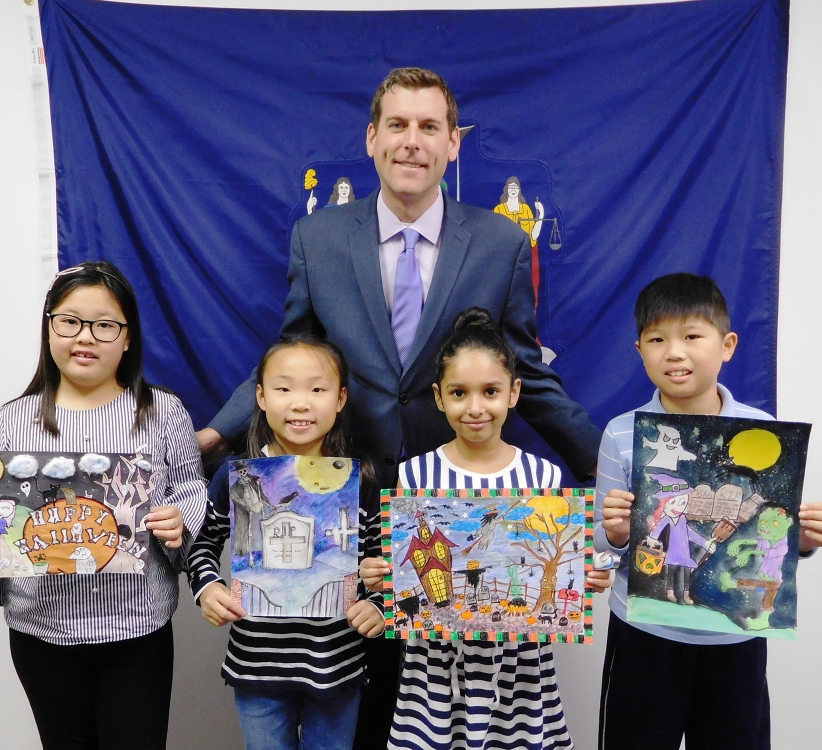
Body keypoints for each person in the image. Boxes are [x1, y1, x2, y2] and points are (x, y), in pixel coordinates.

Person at [196, 68, 602, 746]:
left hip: (451, 512)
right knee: (360, 717)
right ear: (372, 138)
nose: (412, 141)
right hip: (348, 511)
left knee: (439, 713)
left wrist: (604, 466)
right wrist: (216, 433)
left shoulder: (500, 243)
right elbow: (294, 357)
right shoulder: (319, 238)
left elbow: (523, 368)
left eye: (429, 126)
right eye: (398, 125)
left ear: (453, 143)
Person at [0, 261, 207, 750]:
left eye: (105, 324)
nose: (85, 336)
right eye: (69, 321)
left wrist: (181, 522)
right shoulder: (12, 420)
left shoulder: (163, 412)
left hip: (137, 628)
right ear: (49, 328)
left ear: (128, 337)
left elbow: (190, 490)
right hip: (42, 632)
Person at [594, 273, 822, 749]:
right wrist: (617, 533)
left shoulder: (764, 431)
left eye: (692, 336)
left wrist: (805, 538)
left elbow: (773, 534)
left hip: (735, 639)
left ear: (727, 345)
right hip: (643, 635)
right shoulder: (622, 433)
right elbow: (603, 550)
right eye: (657, 339)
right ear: (639, 350)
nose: (674, 352)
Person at [361, 308, 610, 750]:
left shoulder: (544, 476)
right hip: (435, 669)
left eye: (490, 391)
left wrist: (585, 577)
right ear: (439, 397)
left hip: (519, 670)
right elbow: (399, 570)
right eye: (459, 393)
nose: (475, 407)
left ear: (514, 392)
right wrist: (380, 581)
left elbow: (562, 571)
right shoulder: (414, 474)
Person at [187, 334, 385, 750]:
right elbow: (202, 544)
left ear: (341, 398)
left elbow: (381, 561)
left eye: (317, 389)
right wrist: (208, 589)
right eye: (283, 388)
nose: (300, 403)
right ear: (260, 396)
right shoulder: (237, 476)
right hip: (256, 666)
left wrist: (378, 603)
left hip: (337, 665)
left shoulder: (361, 479)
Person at [493, 176, 544, 304]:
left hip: (524, 257)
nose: (513, 190)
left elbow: (533, 236)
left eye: (515, 187)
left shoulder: (525, 209)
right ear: (506, 190)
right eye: (510, 187)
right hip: (505, 257)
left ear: (519, 190)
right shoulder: (499, 210)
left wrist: (541, 214)